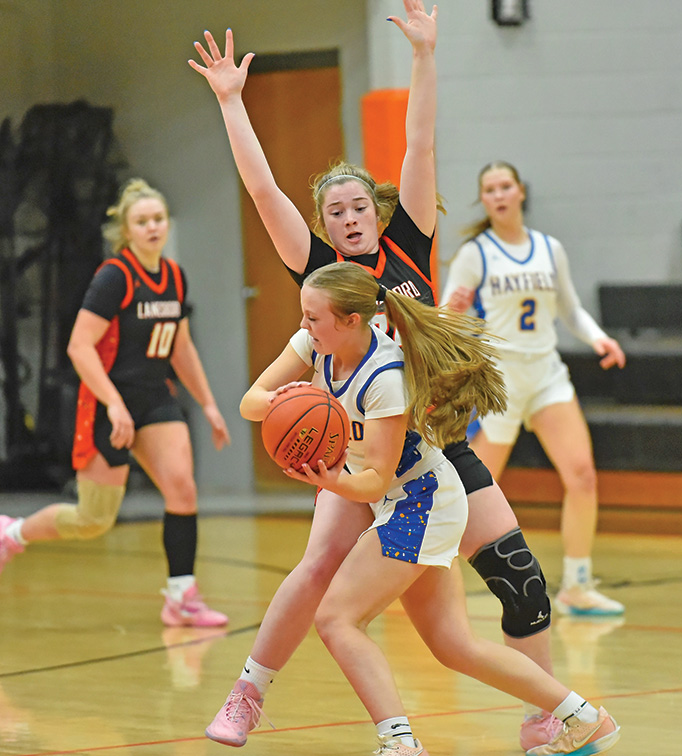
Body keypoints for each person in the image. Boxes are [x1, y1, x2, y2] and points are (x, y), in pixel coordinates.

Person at [191, 2, 563, 749]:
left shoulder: (408, 246)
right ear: (324, 225)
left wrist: (424, 55)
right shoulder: (320, 272)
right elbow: (263, 192)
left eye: (359, 205)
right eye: (336, 211)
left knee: (521, 577)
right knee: (317, 568)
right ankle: (248, 695)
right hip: (360, 452)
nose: (351, 217)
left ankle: (546, 718)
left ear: (376, 208)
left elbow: (420, 144)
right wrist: (233, 101)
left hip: (436, 451)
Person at [239, 262, 621, 756]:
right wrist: (285, 398)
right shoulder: (316, 345)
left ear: (351, 320)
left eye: (312, 317)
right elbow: (251, 403)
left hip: (421, 502)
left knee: (336, 619)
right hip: (408, 501)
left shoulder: (384, 376)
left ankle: (400, 743)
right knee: (453, 645)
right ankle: (585, 717)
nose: (303, 324)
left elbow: (375, 480)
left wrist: (331, 480)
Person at [0, 178, 231, 627]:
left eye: (158, 219)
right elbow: (79, 346)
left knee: (182, 488)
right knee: (93, 519)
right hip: (108, 402)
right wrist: (114, 404)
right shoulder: (115, 277)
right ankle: (13, 532)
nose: (152, 227)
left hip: (155, 400)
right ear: (126, 231)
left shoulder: (174, 277)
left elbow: (180, 347)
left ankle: (181, 597)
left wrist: (207, 403)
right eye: (142, 221)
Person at [441, 161, 627, 617]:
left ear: (520, 191)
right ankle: (434, 583)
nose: (499, 195)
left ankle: (577, 585)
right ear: (483, 200)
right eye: (489, 189)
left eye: (505, 186)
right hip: (499, 380)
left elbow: (570, 308)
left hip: (546, 374)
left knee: (582, 475)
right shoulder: (475, 254)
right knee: (470, 492)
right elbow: (443, 322)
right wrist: (454, 310)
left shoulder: (549, 248)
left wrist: (599, 338)